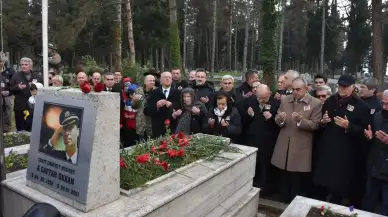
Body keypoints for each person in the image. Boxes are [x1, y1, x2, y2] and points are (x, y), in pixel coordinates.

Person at [313, 74, 371, 207]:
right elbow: (322, 122)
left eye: (346, 86)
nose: (342, 89)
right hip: (327, 149)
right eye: (340, 86)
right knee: (321, 185)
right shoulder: (330, 101)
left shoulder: (361, 106)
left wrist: (349, 126)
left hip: (345, 153)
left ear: (353, 87)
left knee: (338, 188)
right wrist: (324, 121)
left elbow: (365, 132)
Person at [272, 77, 322, 203]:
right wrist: (280, 119)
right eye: (293, 89)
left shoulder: (315, 103)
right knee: (283, 176)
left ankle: (294, 203)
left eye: (298, 89)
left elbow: (316, 125)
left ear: (306, 89)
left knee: (296, 179)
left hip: (301, 146)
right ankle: (282, 201)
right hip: (284, 144)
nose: (295, 92)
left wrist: (301, 121)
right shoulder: (285, 100)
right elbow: (277, 119)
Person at [245, 84, 280, 194]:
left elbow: (279, 125)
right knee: (255, 165)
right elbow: (245, 122)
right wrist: (249, 115)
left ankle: (267, 190)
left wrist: (270, 118)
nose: (261, 100)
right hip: (253, 140)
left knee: (267, 167)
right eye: (259, 98)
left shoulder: (277, 104)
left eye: (264, 98)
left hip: (269, 141)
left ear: (270, 94)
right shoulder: (251, 102)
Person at [362, 89, 388, 215]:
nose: (384, 107)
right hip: (374, 167)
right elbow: (372, 138)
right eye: (383, 103)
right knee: (369, 202)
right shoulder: (377, 116)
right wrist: (369, 137)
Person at [145, 72, 181, 138]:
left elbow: (181, 107)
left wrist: (172, 106)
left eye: (169, 77)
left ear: (172, 80)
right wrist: (157, 106)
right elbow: (146, 111)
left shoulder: (178, 92)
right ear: (160, 80)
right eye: (165, 77)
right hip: (158, 128)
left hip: (173, 127)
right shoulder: (154, 93)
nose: (167, 79)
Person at [10, 57, 42, 132]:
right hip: (20, 107)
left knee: (33, 128)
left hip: (33, 107)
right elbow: (10, 88)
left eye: (26, 64)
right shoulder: (16, 75)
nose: (23, 66)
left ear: (30, 66)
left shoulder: (36, 75)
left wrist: (36, 87)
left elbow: (43, 87)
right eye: (22, 65)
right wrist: (18, 87)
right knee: (20, 128)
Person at [132, 75, 156, 140]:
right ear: (145, 82)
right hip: (141, 124)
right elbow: (134, 107)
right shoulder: (138, 91)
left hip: (152, 125)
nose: (152, 82)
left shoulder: (157, 91)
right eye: (150, 81)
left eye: (153, 81)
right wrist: (135, 101)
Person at [0, 52, 15, 133]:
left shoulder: (10, 71)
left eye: (1, 61)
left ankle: (7, 129)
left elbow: (15, 83)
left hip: (8, 95)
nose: (0, 63)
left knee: (8, 111)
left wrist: (9, 91)